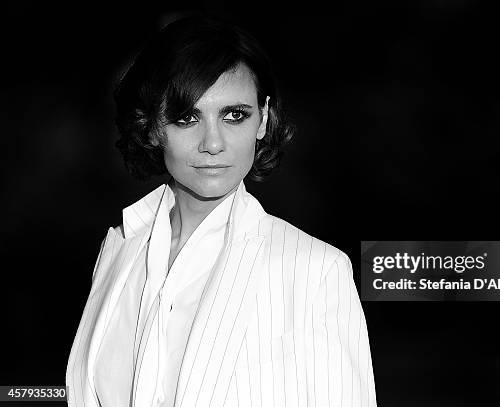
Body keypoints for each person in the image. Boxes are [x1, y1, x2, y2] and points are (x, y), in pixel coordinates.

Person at [65, 16, 377, 407]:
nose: (212, 143)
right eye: (187, 118)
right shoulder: (119, 250)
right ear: (152, 127)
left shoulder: (315, 269)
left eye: (235, 115)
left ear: (263, 118)